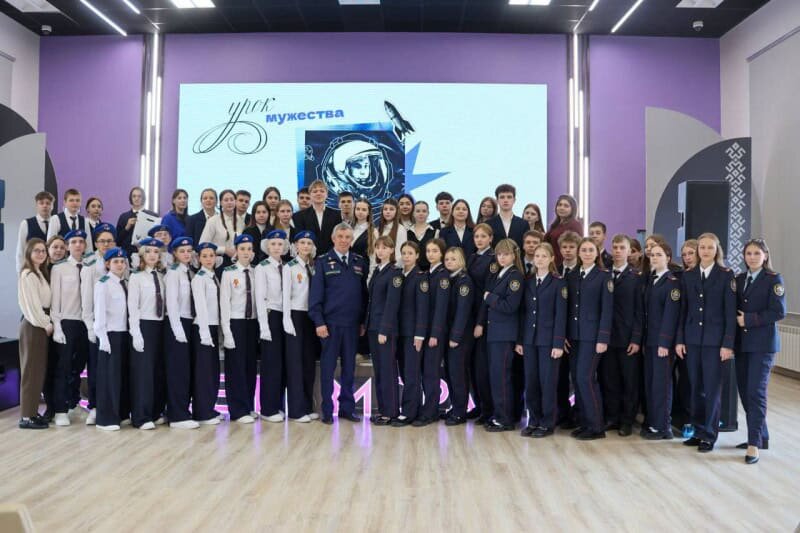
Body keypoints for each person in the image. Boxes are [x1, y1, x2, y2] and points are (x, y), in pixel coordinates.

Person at [676, 232, 736, 453]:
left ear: (716, 250)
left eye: (710, 247)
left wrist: (728, 344)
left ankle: (709, 435)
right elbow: (683, 311)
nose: (705, 251)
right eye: (702, 247)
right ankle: (698, 430)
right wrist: (680, 339)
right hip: (692, 339)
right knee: (695, 388)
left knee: (711, 389)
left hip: (714, 342)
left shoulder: (725, 275)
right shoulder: (688, 275)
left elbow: (730, 313)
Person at [309, 223, 369, 424]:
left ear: (352, 240)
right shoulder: (323, 262)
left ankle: (347, 408)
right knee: (327, 369)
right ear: (333, 238)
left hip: (352, 325)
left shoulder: (359, 261)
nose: (344, 240)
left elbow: (363, 295)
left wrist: (362, 321)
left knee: (349, 369)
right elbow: (315, 296)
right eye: (340, 236)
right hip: (330, 325)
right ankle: (327, 410)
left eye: (347, 237)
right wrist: (319, 322)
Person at [735, 238, 786, 464]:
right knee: (745, 393)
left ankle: (753, 444)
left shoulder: (774, 279)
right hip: (742, 345)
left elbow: (778, 312)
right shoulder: (739, 279)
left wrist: (748, 319)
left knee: (756, 392)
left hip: (763, 346)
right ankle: (761, 436)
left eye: (757, 253)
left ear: (765, 256)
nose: (752, 257)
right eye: (749, 253)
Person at [517, 243, 566, 438]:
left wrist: (558, 343)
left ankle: (547, 422)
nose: (539, 259)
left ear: (552, 258)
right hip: (530, 340)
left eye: (544, 256)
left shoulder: (558, 282)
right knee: (531, 382)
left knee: (547, 383)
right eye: (537, 256)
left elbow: (561, 315)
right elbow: (524, 313)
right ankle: (534, 420)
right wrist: (520, 340)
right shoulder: (529, 281)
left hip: (548, 341)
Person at [566, 237, 613, 440]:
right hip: (575, 336)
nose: (586, 253)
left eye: (590, 250)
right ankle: (584, 422)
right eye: (583, 250)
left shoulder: (603, 276)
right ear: (579, 253)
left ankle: (596, 426)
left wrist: (603, 338)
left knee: (586, 378)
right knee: (577, 379)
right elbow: (569, 308)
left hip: (593, 337)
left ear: (597, 253)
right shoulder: (572, 275)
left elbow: (607, 310)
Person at [477, 239, 523, 431]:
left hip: (504, 334)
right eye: (499, 254)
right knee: (496, 376)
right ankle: (499, 414)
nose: (502, 257)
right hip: (495, 333)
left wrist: (490, 297)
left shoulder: (515, 277)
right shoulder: (500, 274)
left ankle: (505, 419)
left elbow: (510, 306)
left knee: (501, 377)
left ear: (514, 255)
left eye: (506, 254)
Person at [602, 234, 644, 437]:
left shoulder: (636, 277)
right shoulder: (604, 274)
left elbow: (639, 311)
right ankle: (612, 417)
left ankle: (627, 420)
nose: (618, 251)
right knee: (610, 380)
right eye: (615, 247)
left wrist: (636, 338)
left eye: (622, 248)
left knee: (629, 382)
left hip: (627, 339)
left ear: (629, 251)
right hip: (607, 337)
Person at [641, 242, 681, 440]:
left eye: (659, 255)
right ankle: (653, 422)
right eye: (652, 255)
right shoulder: (651, 279)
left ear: (668, 258)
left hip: (662, 344)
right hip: (650, 340)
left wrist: (664, 343)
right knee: (651, 382)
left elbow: (670, 316)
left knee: (661, 385)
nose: (654, 258)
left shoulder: (672, 283)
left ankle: (663, 426)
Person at [49, 229, 89, 427]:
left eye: (81, 241)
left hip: (85, 322)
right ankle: (60, 409)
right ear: (67, 246)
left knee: (78, 367)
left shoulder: (89, 267)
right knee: (63, 366)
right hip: (67, 321)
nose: (78, 245)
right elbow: (55, 300)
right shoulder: (59, 269)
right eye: (74, 242)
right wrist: (57, 326)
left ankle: (73, 404)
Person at [220, 234, 259, 424]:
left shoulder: (255, 272)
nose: (246, 252)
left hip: (252, 322)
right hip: (235, 322)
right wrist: (227, 331)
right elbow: (224, 303)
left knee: (250, 365)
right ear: (236, 251)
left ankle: (248, 405)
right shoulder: (228, 273)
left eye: (249, 249)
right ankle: (237, 410)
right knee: (236, 367)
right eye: (242, 249)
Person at [128, 237, 167, 430]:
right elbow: (133, 307)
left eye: (156, 252)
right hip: (144, 325)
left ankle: (154, 411)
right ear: (142, 255)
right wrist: (136, 332)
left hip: (160, 326)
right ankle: (140, 416)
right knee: (143, 373)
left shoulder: (161, 277)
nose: (152, 255)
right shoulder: (136, 277)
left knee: (157, 371)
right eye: (149, 251)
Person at [80, 222, 117, 425]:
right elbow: (86, 300)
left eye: (109, 241)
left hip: (117, 324)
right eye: (102, 241)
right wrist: (89, 326)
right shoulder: (90, 265)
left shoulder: (120, 262)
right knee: (95, 367)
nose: (106, 244)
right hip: (97, 323)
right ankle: (94, 406)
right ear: (95, 243)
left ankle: (114, 406)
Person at [282, 230, 320, 422]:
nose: (306, 246)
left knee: (308, 362)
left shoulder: (314, 267)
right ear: (296, 246)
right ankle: (296, 410)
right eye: (302, 242)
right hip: (295, 315)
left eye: (309, 243)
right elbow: (285, 295)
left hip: (310, 316)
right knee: (295, 363)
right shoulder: (289, 267)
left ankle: (307, 406)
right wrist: (287, 319)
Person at [366, 236, 403, 425]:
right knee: (379, 371)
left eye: (385, 247)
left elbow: (391, 304)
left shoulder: (394, 273)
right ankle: (383, 410)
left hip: (384, 329)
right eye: (378, 247)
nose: (380, 251)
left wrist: (384, 329)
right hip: (373, 326)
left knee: (388, 371)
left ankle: (391, 412)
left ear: (391, 250)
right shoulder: (377, 270)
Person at [164, 236, 200, 429]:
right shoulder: (173, 273)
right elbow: (171, 303)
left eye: (189, 251)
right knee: (178, 371)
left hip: (189, 323)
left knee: (186, 370)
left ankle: (184, 410)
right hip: (176, 323)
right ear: (175, 254)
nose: (186, 254)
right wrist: (177, 329)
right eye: (182, 251)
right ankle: (177, 415)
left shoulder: (190, 272)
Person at [93, 247, 130, 431]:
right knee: (109, 378)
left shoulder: (125, 283)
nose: (120, 265)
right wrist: (103, 337)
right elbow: (99, 313)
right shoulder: (103, 284)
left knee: (121, 376)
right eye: (116, 262)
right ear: (107, 264)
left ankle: (120, 414)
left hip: (124, 333)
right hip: (110, 334)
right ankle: (105, 419)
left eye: (122, 262)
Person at [17, 238, 53, 429]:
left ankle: (32, 412)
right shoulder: (28, 274)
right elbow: (32, 306)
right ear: (28, 253)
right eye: (36, 251)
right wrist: (45, 323)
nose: (40, 254)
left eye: (43, 251)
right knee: (31, 371)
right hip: (34, 325)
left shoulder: (39, 273)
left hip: (39, 323)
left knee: (37, 371)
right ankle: (26, 416)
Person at [392, 241, 428, 427]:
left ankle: (408, 412)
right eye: (404, 253)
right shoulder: (399, 275)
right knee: (405, 373)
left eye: (410, 253)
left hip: (413, 334)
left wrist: (419, 334)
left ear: (417, 256)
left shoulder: (420, 277)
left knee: (411, 373)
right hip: (399, 332)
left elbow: (423, 308)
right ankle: (414, 408)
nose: (406, 256)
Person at [414, 238, 450, 427]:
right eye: (428, 251)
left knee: (431, 372)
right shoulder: (427, 274)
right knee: (425, 371)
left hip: (435, 333)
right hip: (424, 331)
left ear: (442, 253)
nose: (431, 254)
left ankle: (431, 412)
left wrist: (435, 334)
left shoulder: (442, 277)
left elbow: (441, 309)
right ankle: (427, 408)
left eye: (435, 251)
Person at [255, 230, 287, 423]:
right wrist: (264, 326)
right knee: (271, 363)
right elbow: (260, 298)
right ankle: (267, 408)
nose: (276, 247)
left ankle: (277, 405)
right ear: (267, 247)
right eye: (273, 244)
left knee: (281, 363)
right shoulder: (262, 267)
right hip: (270, 316)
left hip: (285, 315)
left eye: (280, 244)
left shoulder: (286, 266)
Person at [467, 223, 496, 422]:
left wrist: (481, 322)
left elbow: (488, 294)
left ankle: (488, 409)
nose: (479, 240)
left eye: (483, 236)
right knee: (472, 366)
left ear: (491, 238)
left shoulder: (492, 260)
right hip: (469, 315)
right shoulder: (472, 257)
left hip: (481, 318)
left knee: (482, 367)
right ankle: (478, 405)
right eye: (477, 236)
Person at [190, 242, 222, 425]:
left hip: (213, 326)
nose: (209, 259)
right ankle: (202, 412)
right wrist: (204, 333)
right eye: (205, 256)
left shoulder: (213, 277)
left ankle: (209, 407)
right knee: (204, 372)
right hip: (203, 328)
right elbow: (200, 307)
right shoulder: (199, 278)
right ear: (199, 259)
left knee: (212, 370)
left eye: (211, 255)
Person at [293, 179, 341, 255]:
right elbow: (300, 240)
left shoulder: (336, 215)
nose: (318, 193)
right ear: (310, 195)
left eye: (322, 191)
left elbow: (338, 238)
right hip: (308, 257)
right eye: (315, 191)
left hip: (331, 257)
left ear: (327, 194)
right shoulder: (298, 216)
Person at [199, 189, 241, 268]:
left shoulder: (240, 220)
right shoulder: (213, 221)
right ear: (221, 203)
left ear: (235, 202)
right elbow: (203, 244)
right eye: (226, 200)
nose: (229, 202)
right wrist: (224, 250)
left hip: (236, 262)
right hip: (218, 262)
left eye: (232, 200)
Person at [17, 191, 55, 274]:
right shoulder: (26, 223)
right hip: (33, 269)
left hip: (53, 269)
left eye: (48, 203)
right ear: (36, 205)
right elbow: (21, 249)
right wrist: (20, 272)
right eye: (41, 203)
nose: (45, 206)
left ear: (52, 206)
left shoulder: (57, 222)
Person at [47, 189, 93, 254]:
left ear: (80, 203)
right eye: (71, 200)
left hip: (80, 258)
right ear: (65, 202)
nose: (75, 203)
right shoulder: (55, 219)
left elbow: (88, 245)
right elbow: (50, 244)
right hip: (61, 258)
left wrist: (90, 259)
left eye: (77, 200)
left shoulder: (85, 221)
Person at [544, 194, 583, 266]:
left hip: (565, 265)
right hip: (552, 264)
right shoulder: (555, 225)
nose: (562, 208)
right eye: (560, 205)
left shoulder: (575, 224)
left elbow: (578, 247)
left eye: (566, 206)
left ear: (572, 209)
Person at [486, 184, 528, 249]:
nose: (505, 200)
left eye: (509, 197)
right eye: (502, 197)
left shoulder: (523, 224)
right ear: (497, 200)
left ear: (514, 200)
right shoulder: (488, 224)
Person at [116, 186, 150, 255]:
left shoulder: (151, 216)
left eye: (139, 196)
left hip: (146, 254)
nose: (136, 198)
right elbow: (117, 241)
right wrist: (126, 228)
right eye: (134, 196)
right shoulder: (123, 217)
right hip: (127, 254)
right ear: (131, 198)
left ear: (143, 198)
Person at [374, 198, 407, 269]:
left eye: (391, 209)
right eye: (385, 209)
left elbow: (400, 254)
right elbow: (375, 252)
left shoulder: (401, 229)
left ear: (397, 211)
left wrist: (391, 269)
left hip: (394, 269)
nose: (388, 212)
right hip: (379, 268)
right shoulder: (378, 229)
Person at [407, 200, 437, 271]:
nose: (421, 213)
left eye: (424, 211)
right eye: (418, 211)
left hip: (429, 272)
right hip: (411, 271)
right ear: (413, 213)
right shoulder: (407, 232)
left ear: (428, 213)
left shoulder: (435, 232)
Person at [351, 198, 376, 265]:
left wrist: (372, 272)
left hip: (363, 269)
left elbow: (373, 257)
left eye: (364, 210)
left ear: (368, 212)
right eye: (358, 209)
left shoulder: (373, 232)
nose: (360, 212)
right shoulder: (348, 228)